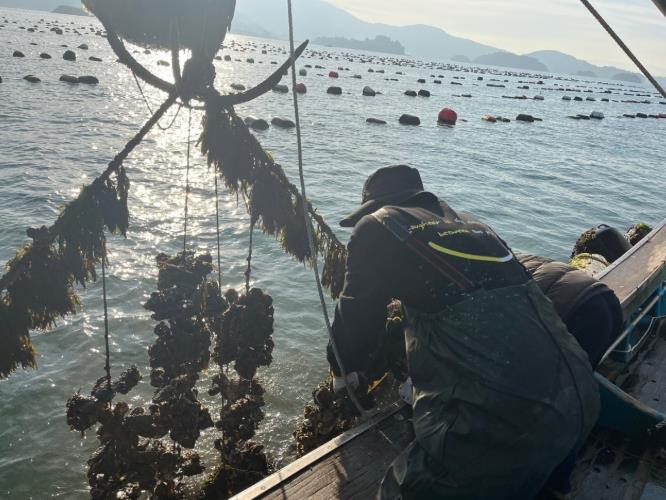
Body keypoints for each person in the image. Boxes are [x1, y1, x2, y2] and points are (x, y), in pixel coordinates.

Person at [328, 165, 600, 500]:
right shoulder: (477, 226)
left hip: (510, 424)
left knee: (397, 491)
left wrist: (342, 367)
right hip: (580, 404)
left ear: (374, 206)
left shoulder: (379, 224)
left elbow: (356, 311)